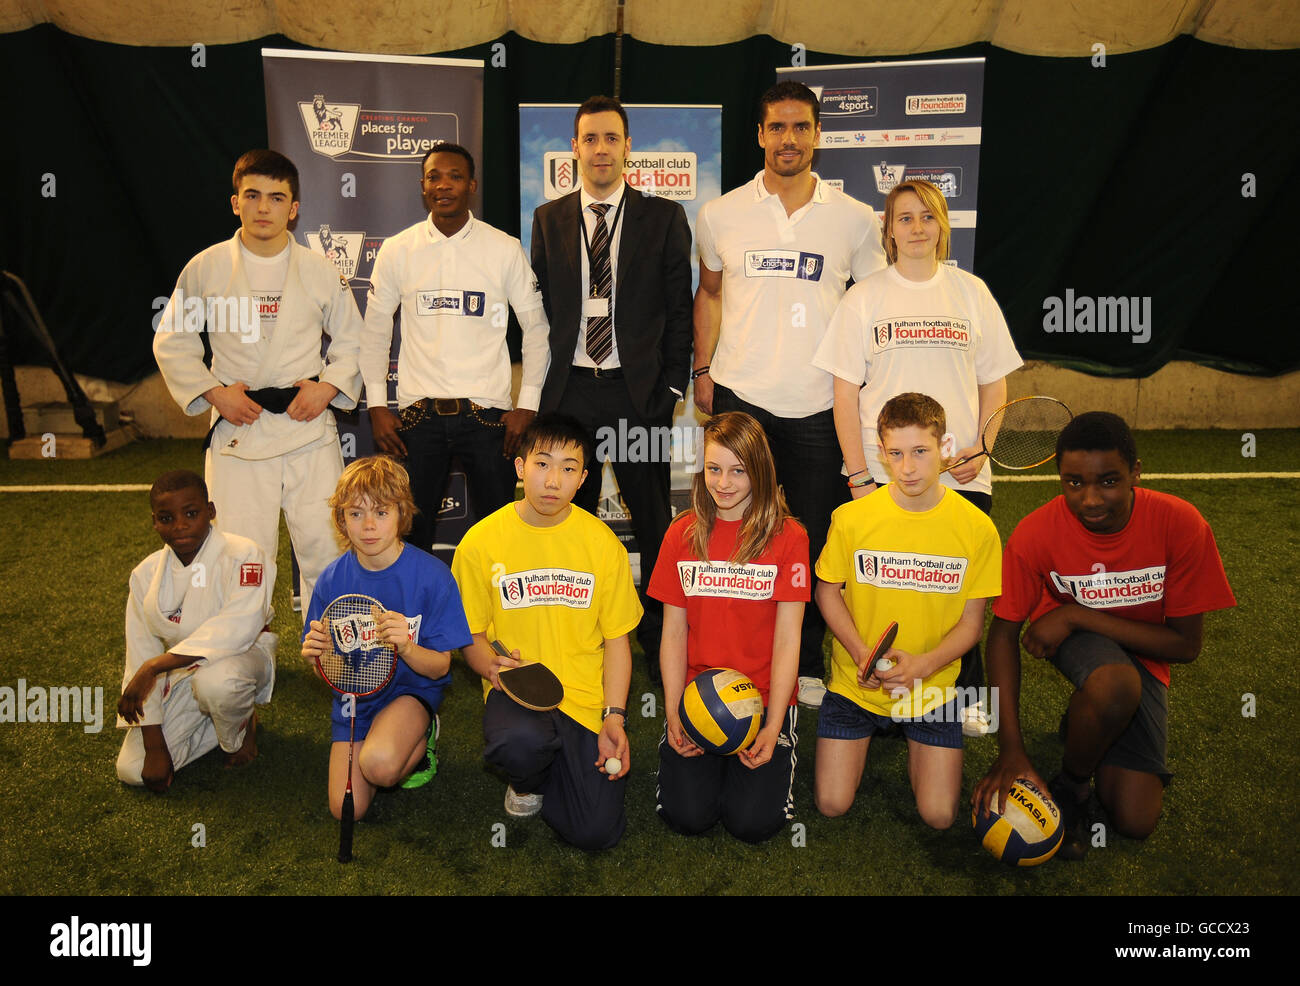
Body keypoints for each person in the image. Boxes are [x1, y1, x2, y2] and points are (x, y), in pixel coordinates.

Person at [693, 80, 887, 708]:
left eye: (801, 128)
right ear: (760, 135)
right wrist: (703, 370)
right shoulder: (720, 214)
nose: (789, 139)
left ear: (817, 136)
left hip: (816, 405)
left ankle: (804, 662)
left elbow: (872, 312)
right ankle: (731, 655)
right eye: (777, 127)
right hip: (740, 396)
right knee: (736, 529)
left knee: (803, 536)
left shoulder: (856, 219)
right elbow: (712, 294)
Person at [972, 412, 1235, 859]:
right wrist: (1011, 750)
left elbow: (1186, 646)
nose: (1090, 499)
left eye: (1108, 481)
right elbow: (1001, 636)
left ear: (1136, 472)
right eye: (1073, 483)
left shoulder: (1181, 523)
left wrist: (1077, 614)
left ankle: (1088, 723)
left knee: (1135, 820)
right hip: (1085, 650)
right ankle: (1073, 788)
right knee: (1114, 684)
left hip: (1139, 645)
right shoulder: (1036, 532)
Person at [813, 178, 1022, 731]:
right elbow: (844, 393)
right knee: (882, 588)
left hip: (960, 473)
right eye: (904, 218)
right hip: (883, 474)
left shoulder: (971, 292)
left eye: (927, 217)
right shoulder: (864, 297)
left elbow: (994, 384)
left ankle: (962, 694)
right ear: (888, 230)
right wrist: (858, 472)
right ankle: (870, 687)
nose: (917, 228)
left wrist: (983, 448)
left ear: (942, 226)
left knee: (955, 588)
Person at [153, 149, 363, 615]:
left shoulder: (319, 269)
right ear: (235, 203)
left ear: (294, 208)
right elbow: (173, 340)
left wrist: (327, 388)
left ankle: (330, 649)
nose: (263, 207)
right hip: (239, 430)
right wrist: (214, 393)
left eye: (276, 197)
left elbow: (353, 340)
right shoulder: (205, 268)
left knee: (326, 546)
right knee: (240, 553)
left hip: (306, 426)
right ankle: (242, 653)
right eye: (252, 195)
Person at [530, 95, 693, 679]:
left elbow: (680, 309)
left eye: (611, 139)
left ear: (628, 148)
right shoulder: (548, 219)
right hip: (571, 391)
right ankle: (577, 630)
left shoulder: (663, 218)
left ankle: (653, 636)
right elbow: (543, 307)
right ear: (574, 148)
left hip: (635, 393)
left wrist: (671, 388)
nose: (600, 149)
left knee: (651, 518)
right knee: (568, 517)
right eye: (590, 139)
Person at [451, 413, 643, 850]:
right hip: (517, 694)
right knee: (518, 744)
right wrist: (496, 672)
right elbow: (472, 638)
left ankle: (560, 767)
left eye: (568, 468)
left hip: (583, 701)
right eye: (542, 464)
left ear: (583, 480)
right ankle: (527, 780)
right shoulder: (481, 542)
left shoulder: (602, 544)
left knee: (596, 833)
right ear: (520, 468)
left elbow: (617, 642)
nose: (553, 480)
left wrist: (615, 715)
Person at [814, 394, 1001, 827]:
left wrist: (924, 666)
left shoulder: (976, 528)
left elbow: (973, 624)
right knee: (831, 804)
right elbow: (827, 592)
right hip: (855, 685)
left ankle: (916, 735)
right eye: (896, 453)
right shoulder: (852, 518)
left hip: (931, 686)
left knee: (938, 816)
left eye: (921, 451)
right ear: (881, 453)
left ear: (945, 448)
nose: (909, 467)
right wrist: (861, 652)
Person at [362, 142, 550, 550]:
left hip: (488, 420)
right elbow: (375, 330)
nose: (443, 185)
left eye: (455, 176)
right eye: (434, 177)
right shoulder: (398, 249)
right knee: (410, 538)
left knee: (500, 537)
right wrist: (377, 405)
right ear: (423, 186)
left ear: (472, 186)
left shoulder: (503, 248)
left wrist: (527, 405)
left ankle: (501, 614)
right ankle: (413, 615)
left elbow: (536, 329)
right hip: (417, 418)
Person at [648, 412, 809, 842]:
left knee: (752, 825)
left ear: (759, 470)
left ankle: (763, 756)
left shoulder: (789, 536)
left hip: (760, 700)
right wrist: (673, 710)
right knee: (688, 817)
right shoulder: (682, 533)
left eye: (738, 471)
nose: (723, 483)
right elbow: (674, 632)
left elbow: (788, 637)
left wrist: (774, 725)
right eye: (714, 469)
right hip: (697, 696)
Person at [302, 456, 472, 818]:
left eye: (381, 512)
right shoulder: (331, 581)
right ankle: (384, 738)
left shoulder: (432, 576)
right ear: (341, 521)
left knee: (379, 765)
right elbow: (326, 673)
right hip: (355, 700)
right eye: (355, 514)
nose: (368, 526)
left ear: (401, 515)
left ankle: (421, 734)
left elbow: (440, 668)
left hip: (410, 691)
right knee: (345, 811)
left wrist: (408, 647)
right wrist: (318, 657)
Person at [116, 470, 277, 792]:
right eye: (166, 517)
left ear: (211, 512)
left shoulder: (244, 553)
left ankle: (239, 730)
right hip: (179, 673)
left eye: (191, 513)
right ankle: (217, 718)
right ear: (154, 521)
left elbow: (239, 626)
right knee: (132, 771)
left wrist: (155, 667)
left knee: (218, 683)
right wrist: (155, 746)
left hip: (243, 657)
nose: (179, 525)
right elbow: (140, 652)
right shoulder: (145, 575)